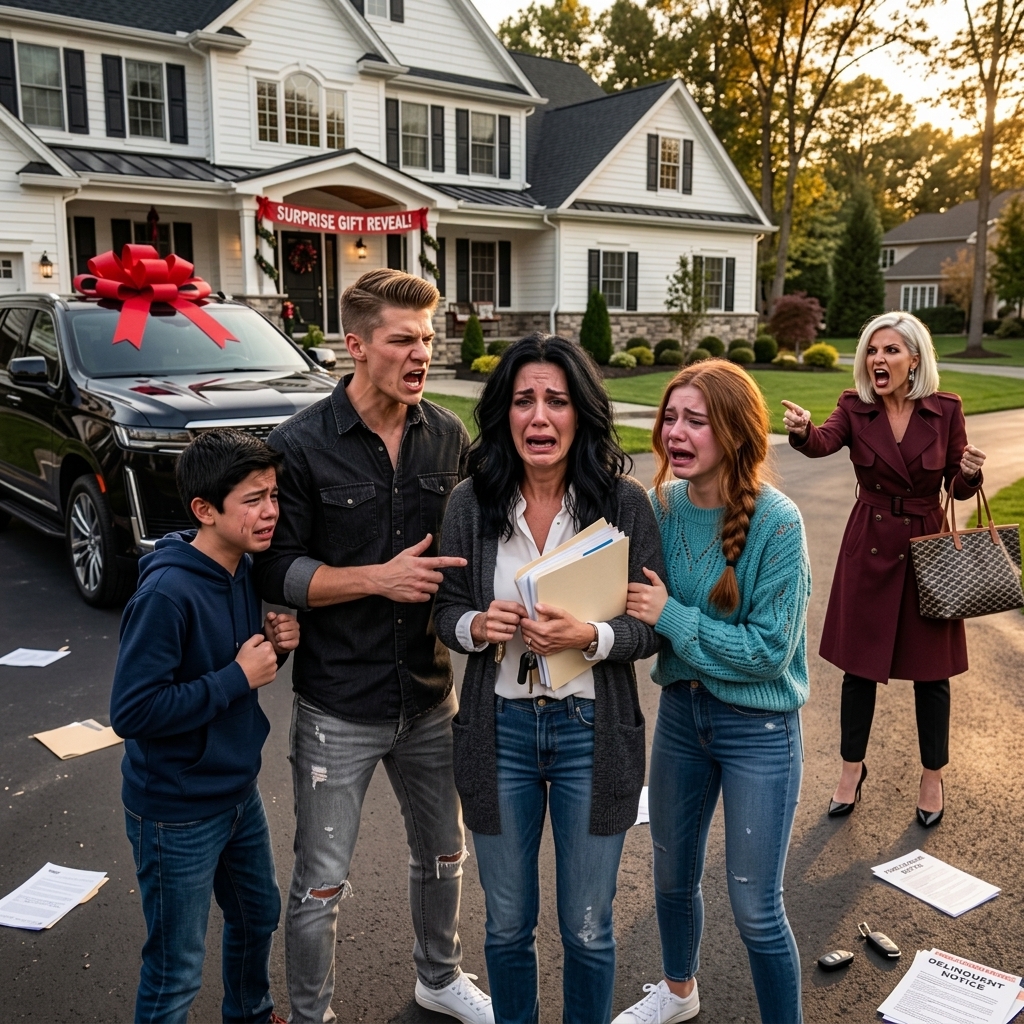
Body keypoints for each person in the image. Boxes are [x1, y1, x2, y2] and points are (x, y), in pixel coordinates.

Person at [252, 269, 492, 1024]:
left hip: (429, 693)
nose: (422, 354)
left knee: (444, 855)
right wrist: (376, 580)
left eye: (428, 339)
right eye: (403, 341)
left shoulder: (448, 434)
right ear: (356, 346)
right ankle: (313, 1013)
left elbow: (479, 541)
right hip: (339, 703)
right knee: (321, 881)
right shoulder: (298, 447)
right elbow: (280, 568)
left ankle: (440, 977)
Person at [433, 333, 664, 1024]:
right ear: (503, 412)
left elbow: (650, 627)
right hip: (497, 732)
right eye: (524, 400)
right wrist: (478, 626)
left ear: (580, 413)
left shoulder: (622, 505)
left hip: (590, 734)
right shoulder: (471, 505)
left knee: (589, 927)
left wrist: (589, 636)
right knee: (506, 926)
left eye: (556, 401)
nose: (540, 417)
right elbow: (445, 613)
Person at [615, 359, 811, 1024]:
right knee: (671, 879)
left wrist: (670, 616)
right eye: (670, 417)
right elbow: (624, 603)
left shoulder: (777, 523)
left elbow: (766, 653)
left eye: (694, 420)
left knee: (756, 907)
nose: (675, 430)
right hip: (680, 716)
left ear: (733, 432)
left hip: (759, 731)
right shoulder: (661, 507)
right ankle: (678, 992)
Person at [110, 428, 300, 1024]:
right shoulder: (168, 592)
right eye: (253, 499)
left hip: (235, 792)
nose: (270, 511)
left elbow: (237, 664)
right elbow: (132, 711)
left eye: (273, 495)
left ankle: (250, 1012)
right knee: (176, 968)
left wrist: (274, 648)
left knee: (256, 914)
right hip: (175, 809)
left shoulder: (243, 566)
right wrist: (238, 677)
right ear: (204, 510)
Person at [782, 311, 985, 827]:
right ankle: (851, 769)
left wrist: (967, 472)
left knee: (932, 674)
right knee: (859, 669)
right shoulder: (856, 407)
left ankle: (932, 775)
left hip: (926, 547)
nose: (879, 359)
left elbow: (958, 487)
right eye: (873, 350)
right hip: (869, 540)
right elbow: (824, 442)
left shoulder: (946, 409)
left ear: (915, 359)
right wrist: (804, 431)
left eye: (891, 350)